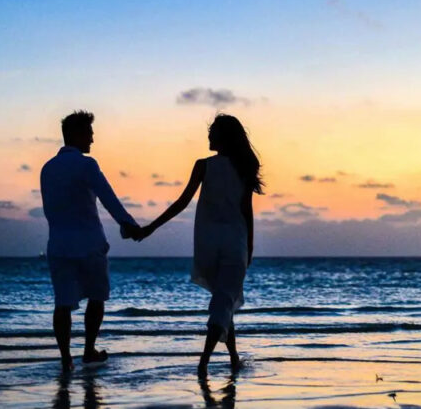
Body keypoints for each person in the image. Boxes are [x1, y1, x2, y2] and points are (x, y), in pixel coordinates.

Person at [134, 113, 263, 376]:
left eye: (212, 132)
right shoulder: (243, 166)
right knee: (223, 302)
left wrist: (150, 228)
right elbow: (246, 210)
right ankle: (203, 364)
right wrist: (249, 247)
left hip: (207, 246)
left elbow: (181, 203)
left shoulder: (203, 165)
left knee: (223, 301)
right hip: (234, 244)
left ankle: (234, 359)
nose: (208, 136)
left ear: (223, 137)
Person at [40, 110, 140, 373]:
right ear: (76, 134)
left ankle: (65, 359)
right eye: (89, 134)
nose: (92, 140)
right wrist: (127, 224)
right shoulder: (87, 164)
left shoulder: (47, 169)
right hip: (89, 243)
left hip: (58, 245)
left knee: (62, 303)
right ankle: (88, 350)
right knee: (96, 297)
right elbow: (108, 197)